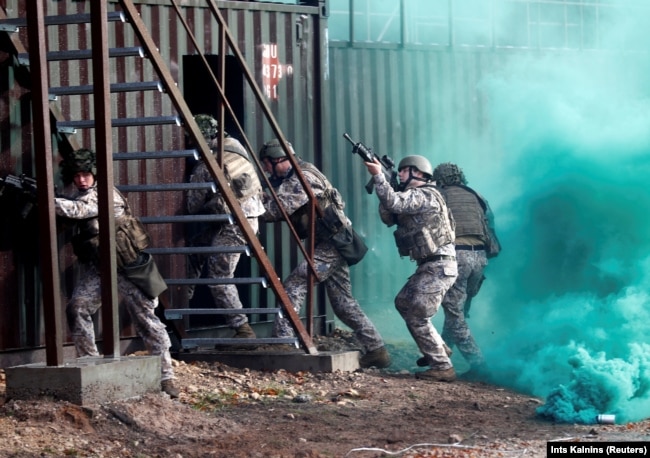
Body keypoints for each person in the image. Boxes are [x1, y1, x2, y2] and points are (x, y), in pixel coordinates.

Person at [54, 148, 179, 398]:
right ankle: (88, 362)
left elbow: (77, 211)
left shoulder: (104, 195)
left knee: (146, 320)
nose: (81, 180)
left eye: (86, 174)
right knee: (78, 306)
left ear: (95, 174)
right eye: (76, 175)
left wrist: (47, 198)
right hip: (100, 268)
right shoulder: (78, 195)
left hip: (128, 267)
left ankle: (166, 378)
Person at [259, 138, 390, 368]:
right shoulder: (295, 174)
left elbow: (274, 210)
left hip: (333, 242)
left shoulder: (302, 178)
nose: (267, 170)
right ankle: (376, 349)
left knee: (296, 282)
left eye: (268, 164)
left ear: (280, 160)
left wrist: (247, 207)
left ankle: (282, 341)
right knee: (343, 304)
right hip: (333, 242)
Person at [364, 155, 458, 381]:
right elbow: (389, 215)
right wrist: (385, 183)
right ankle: (439, 348)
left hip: (439, 265)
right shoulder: (415, 196)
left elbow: (395, 203)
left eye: (404, 171)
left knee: (417, 315)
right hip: (432, 265)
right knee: (403, 302)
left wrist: (378, 176)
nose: (400, 175)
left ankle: (442, 367)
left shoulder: (425, 195)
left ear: (418, 173)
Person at [185, 114, 265, 339]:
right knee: (195, 249)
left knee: (219, 277)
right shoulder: (235, 147)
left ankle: (242, 329)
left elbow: (191, 205)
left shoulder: (208, 163)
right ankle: (182, 298)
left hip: (235, 224)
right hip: (242, 219)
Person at [431, 162, 500, 380]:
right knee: (456, 310)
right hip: (479, 258)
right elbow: (491, 226)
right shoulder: (477, 195)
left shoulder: (439, 195)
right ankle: (441, 354)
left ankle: (479, 365)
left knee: (454, 316)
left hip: (457, 257)